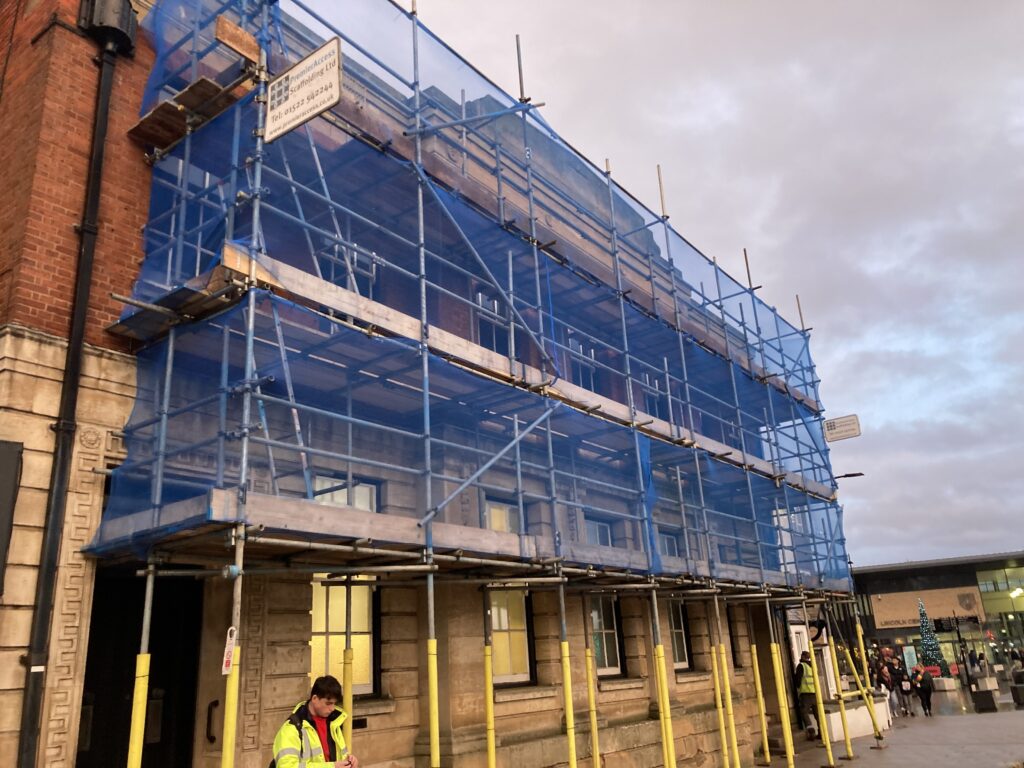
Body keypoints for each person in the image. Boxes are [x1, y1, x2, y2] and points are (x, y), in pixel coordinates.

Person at [271, 676, 359, 768]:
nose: (332, 708)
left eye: (334, 703)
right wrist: (331, 767)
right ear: (314, 699)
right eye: (328, 703)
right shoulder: (291, 729)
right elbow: (286, 766)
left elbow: (340, 759)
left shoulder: (334, 723)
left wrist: (350, 762)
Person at [793, 651, 819, 739]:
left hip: (805, 693)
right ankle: (822, 733)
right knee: (817, 714)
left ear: (803, 656)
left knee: (804, 712)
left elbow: (798, 681)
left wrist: (797, 686)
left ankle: (811, 732)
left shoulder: (801, 666)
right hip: (815, 693)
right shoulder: (813, 666)